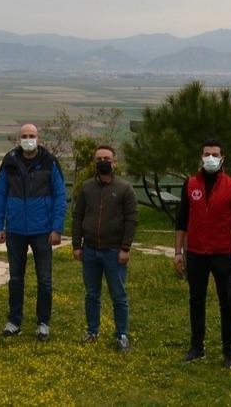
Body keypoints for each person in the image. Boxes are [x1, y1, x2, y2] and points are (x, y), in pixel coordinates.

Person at [173, 138, 231, 368]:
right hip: (196, 253)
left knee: (227, 303)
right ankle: (196, 348)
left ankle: (229, 352)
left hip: (222, 253)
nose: (211, 158)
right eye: (207, 153)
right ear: (201, 156)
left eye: (215, 154)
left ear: (222, 158)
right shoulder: (190, 185)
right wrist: (178, 252)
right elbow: (182, 221)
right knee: (196, 301)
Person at [0, 123, 67, 341]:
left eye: (31, 135)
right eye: (24, 136)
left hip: (42, 230)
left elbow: (60, 195)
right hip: (15, 229)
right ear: (19, 138)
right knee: (16, 278)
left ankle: (43, 323)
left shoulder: (50, 162)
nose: (28, 139)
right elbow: (0, 193)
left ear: (39, 137)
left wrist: (57, 228)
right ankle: (14, 321)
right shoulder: (9, 162)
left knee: (44, 279)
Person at [71, 144, 138, 349]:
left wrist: (125, 248)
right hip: (90, 250)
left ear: (114, 162)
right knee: (92, 294)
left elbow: (131, 220)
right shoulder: (87, 188)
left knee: (118, 294)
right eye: (99, 159)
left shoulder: (125, 189)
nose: (103, 162)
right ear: (94, 163)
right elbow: (78, 216)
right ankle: (92, 331)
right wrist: (77, 244)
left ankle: (122, 335)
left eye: (106, 159)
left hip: (114, 251)